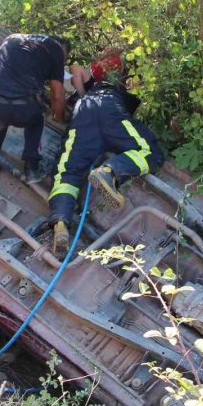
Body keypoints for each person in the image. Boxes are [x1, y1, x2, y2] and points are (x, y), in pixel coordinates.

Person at [48, 50, 164, 259]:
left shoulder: (91, 79)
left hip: (82, 114)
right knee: (150, 151)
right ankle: (110, 172)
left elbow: (76, 71)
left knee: (67, 174)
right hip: (110, 108)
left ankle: (60, 223)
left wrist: (79, 97)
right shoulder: (123, 78)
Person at [0, 33, 70, 236]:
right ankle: (31, 166)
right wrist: (59, 117)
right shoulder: (56, 50)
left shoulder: (11, 39)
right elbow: (58, 95)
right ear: (64, 48)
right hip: (25, 109)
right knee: (37, 118)